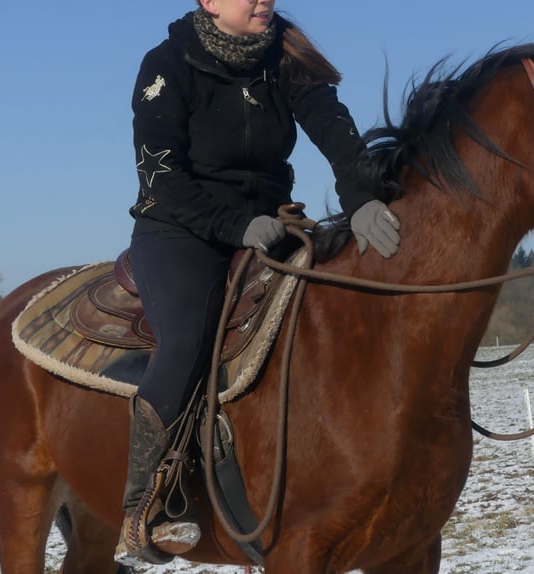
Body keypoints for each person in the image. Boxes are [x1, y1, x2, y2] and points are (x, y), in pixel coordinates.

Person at [116, 0, 401, 565]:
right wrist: (235, 225)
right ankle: (142, 508)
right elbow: (160, 176)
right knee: (186, 340)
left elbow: (335, 130)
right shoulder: (165, 63)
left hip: (272, 225)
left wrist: (363, 198)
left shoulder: (286, 58)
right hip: (181, 231)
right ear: (209, 3)